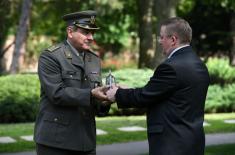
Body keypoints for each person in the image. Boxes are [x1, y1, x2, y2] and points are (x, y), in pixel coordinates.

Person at [106, 17, 210, 155]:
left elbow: (145, 96)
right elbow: (161, 93)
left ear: (173, 39)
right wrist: (127, 90)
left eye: (161, 37)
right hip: (193, 143)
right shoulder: (199, 65)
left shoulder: (171, 67)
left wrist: (116, 94)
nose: (159, 42)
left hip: (172, 145)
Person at [34, 10, 110, 155]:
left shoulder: (93, 59)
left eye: (93, 33)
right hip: (56, 142)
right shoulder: (51, 57)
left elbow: (94, 97)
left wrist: (106, 99)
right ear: (70, 31)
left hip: (86, 141)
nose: (91, 37)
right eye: (86, 32)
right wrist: (92, 94)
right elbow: (57, 93)